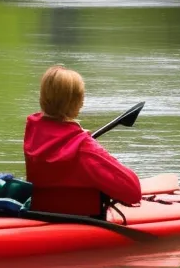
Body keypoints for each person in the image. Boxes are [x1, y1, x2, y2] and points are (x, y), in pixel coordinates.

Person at [23, 65, 142, 218]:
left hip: (41, 214)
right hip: (81, 221)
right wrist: (86, 142)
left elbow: (55, 137)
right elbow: (133, 191)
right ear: (76, 103)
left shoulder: (33, 132)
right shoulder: (83, 147)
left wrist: (76, 134)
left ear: (43, 98)